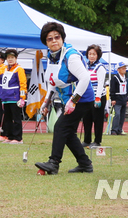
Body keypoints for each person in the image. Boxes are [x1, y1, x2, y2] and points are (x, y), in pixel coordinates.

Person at [35, 22, 95, 174]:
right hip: (68, 98)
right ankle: (85, 164)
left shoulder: (71, 56)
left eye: (57, 37)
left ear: (62, 39)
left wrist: (73, 101)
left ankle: (53, 163)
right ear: (46, 42)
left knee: (60, 127)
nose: (54, 41)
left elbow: (85, 78)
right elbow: (52, 82)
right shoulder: (52, 57)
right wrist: (46, 103)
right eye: (50, 39)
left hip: (82, 99)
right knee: (67, 132)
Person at [82, 44, 107, 148]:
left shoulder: (100, 67)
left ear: (98, 55)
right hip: (87, 96)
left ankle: (97, 141)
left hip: (98, 96)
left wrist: (97, 98)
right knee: (86, 118)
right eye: (90, 54)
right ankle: (87, 140)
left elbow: (101, 83)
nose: (91, 56)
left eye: (94, 54)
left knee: (97, 119)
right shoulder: (85, 66)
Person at [0, 49, 27, 145]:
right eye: (8, 58)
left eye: (12, 58)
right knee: (7, 118)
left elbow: (23, 83)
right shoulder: (5, 69)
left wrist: (22, 97)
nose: (10, 59)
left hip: (15, 97)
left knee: (16, 118)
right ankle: (10, 136)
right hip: (6, 97)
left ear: (16, 58)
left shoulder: (19, 69)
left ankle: (18, 138)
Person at [109, 62, 128, 135]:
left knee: (122, 115)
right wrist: (113, 99)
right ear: (118, 69)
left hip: (123, 98)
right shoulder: (115, 78)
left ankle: (119, 129)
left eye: (125, 68)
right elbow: (112, 89)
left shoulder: (126, 79)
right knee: (117, 114)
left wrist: (127, 99)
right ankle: (114, 129)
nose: (124, 70)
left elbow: (127, 89)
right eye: (122, 68)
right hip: (117, 98)